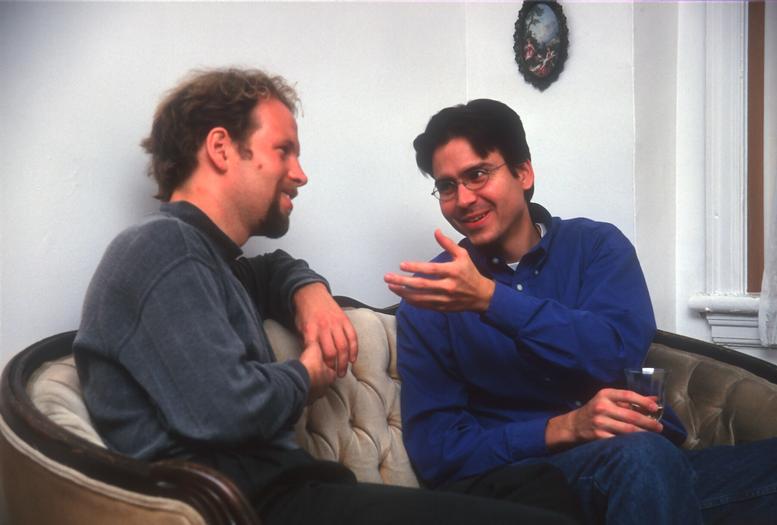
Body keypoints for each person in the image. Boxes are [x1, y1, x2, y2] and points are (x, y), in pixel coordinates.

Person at [73, 69, 579, 525]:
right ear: (221, 148)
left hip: (289, 494)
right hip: (253, 507)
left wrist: (309, 292)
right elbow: (225, 412)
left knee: (549, 491)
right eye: (283, 151)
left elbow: (270, 269)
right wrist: (309, 373)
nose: (300, 173)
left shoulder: (205, 258)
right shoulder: (162, 247)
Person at [385, 98, 777, 525]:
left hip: (648, 464)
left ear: (523, 173)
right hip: (524, 481)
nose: (463, 199)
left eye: (478, 174)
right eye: (446, 186)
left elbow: (616, 353)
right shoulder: (431, 298)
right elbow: (439, 452)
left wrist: (493, 301)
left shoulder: (597, 248)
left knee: (653, 463)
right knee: (640, 458)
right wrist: (566, 427)